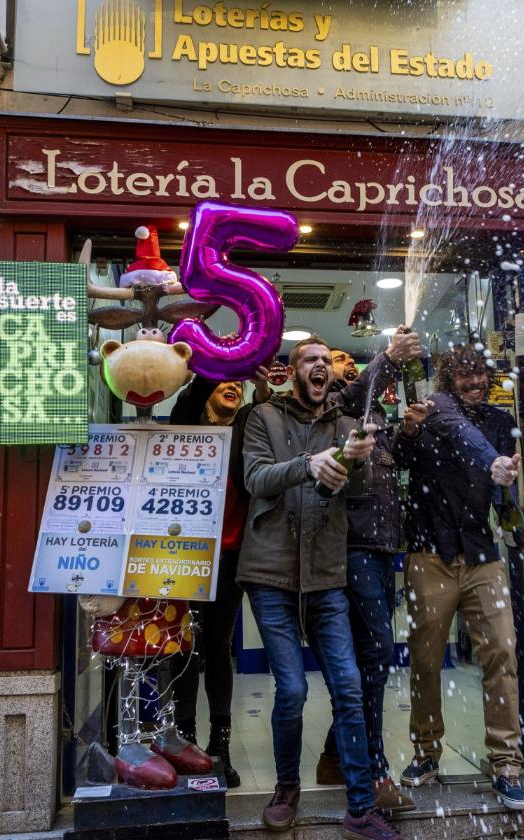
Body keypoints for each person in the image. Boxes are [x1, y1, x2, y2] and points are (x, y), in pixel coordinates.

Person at [239, 333, 414, 840]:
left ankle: (360, 808)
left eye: (326, 362)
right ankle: (286, 787)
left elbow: (351, 490)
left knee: (349, 688)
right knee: (291, 690)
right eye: (310, 360)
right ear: (294, 371)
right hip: (269, 572)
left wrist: (355, 460)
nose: (321, 367)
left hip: (327, 572)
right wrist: (307, 464)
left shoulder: (346, 423)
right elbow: (255, 478)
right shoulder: (263, 418)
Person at [397, 343, 524, 810]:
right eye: (466, 377)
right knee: (426, 660)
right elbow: (405, 456)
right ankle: (426, 751)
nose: (476, 384)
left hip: (483, 558)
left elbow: (504, 487)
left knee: (502, 653)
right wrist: (410, 431)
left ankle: (507, 764)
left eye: (482, 376)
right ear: (449, 381)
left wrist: (517, 518)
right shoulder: (434, 413)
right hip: (429, 556)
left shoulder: (498, 422)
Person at [315, 347, 428, 815]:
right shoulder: (337, 407)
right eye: (337, 358)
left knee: (365, 663)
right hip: (355, 550)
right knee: (378, 653)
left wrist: (410, 429)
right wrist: (383, 356)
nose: (344, 364)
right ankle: (375, 770)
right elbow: (356, 391)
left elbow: (398, 467)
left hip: (385, 551)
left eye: (348, 359)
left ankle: (334, 759)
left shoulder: (376, 414)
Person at [168, 367, 271, 788]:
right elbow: (189, 400)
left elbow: (259, 410)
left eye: (238, 383)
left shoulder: (246, 428)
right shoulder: (188, 421)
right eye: (222, 381)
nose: (232, 386)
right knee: (185, 648)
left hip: (230, 558)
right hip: (186, 556)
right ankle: (186, 743)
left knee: (217, 648)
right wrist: (209, 366)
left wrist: (261, 385)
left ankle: (221, 748)